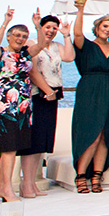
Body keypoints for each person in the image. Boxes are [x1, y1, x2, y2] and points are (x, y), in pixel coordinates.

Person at [68, 0, 109, 193]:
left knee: (105, 135)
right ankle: (81, 175)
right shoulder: (86, 45)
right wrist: (81, 10)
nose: (108, 30)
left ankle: (97, 175)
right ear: (97, 27)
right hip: (90, 91)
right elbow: (77, 33)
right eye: (105, 26)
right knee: (90, 134)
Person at [0, 10, 37, 203]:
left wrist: (37, 26)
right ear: (9, 36)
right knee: (8, 148)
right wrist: (6, 22)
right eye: (17, 35)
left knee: (15, 148)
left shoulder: (25, 54)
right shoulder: (0, 53)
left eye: (24, 37)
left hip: (23, 106)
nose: (20, 38)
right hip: (6, 106)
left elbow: (40, 45)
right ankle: (6, 189)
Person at [27, 11, 68, 190]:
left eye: (54, 28)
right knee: (34, 139)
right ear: (40, 28)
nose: (51, 30)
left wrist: (66, 34)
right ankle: (28, 182)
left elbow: (70, 57)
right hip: (39, 94)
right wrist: (47, 91)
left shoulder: (56, 46)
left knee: (43, 140)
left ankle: (34, 180)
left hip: (53, 93)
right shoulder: (32, 44)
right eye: (47, 27)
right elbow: (32, 70)